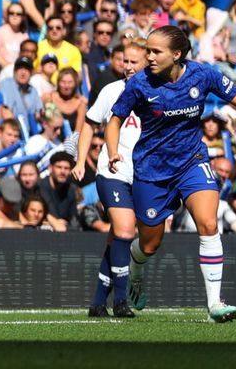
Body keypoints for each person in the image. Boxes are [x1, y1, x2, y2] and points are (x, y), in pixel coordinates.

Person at [109, 25, 236, 323]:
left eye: (155, 51)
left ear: (176, 54)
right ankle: (136, 272)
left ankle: (215, 304)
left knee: (208, 222)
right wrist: (114, 150)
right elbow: (114, 121)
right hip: (152, 170)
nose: (148, 56)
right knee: (150, 244)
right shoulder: (139, 85)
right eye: (147, 50)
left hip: (192, 161)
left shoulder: (203, 75)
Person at [79, 36, 146, 317]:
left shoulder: (158, 94)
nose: (128, 66)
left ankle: (97, 303)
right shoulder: (111, 91)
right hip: (112, 171)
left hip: (141, 176)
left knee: (117, 238)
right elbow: (89, 125)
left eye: (134, 61)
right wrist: (82, 160)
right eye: (125, 61)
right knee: (126, 231)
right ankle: (121, 301)